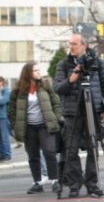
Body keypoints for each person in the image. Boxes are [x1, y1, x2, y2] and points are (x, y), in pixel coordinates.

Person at [54, 34, 104, 198]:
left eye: (74, 44)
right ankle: (75, 184)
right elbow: (57, 88)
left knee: (93, 147)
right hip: (72, 112)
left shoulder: (97, 63)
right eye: (70, 44)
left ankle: (92, 184)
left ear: (84, 46)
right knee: (71, 150)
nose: (71, 47)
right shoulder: (63, 65)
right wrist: (71, 79)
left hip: (92, 109)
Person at [8, 62, 63, 194]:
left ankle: (55, 180)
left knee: (49, 151)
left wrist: (55, 118)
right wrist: (16, 124)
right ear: (28, 73)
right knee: (33, 155)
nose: (39, 72)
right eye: (35, 70)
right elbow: (12, 110)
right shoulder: (18, 90)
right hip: (29, 127)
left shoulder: (45, 85)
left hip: (45, 125)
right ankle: (37, 183)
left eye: (39, 70)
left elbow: (56, 102)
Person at [0, 76, 11, 161]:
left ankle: (7, 154)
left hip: (3, 117)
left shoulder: (6, 90)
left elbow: (4, 101)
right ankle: (2, 154)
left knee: (5, 137)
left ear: (2, 82)